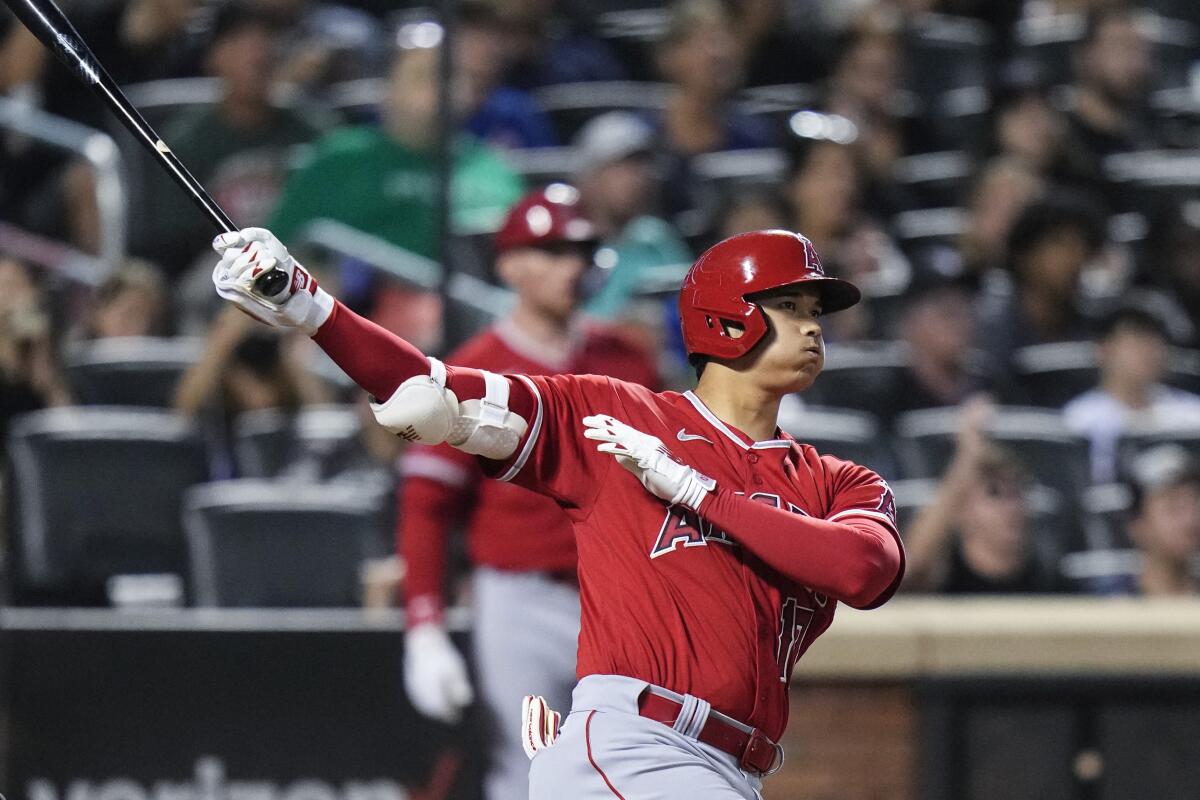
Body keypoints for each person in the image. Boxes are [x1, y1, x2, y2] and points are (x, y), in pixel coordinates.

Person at [211, 226, 903, 798]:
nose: (813, 329)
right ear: (730, 315)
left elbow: (864, 570)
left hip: (733, 767)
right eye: (791, 307)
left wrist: (696, 493)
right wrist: (309, 307)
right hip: (637, 747)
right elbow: (432, 388)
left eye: (816, 313)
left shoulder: (837, 481)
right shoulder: (620, 419)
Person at [398, 186, 658, 800]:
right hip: (521, 598)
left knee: (634, 777)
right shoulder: (474, 369)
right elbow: (426, 507)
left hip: (623, 599)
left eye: (580, 250)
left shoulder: (627, 361)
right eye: (552, 250)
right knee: (530, 773)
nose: (572, 265)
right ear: (510, 264)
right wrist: (424, 626)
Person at [902, 397, 1054, 594]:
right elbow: (913, 565)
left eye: (1018, 492)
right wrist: (968, 454)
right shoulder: (944, 580)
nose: (1012, 507)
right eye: (994, 493)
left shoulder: (1048, 581)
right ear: (961, 510)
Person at [572, 112, 691, 321]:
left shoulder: (657, 237)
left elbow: (692, 304)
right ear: (589, 177)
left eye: (641, 167)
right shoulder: (566, 245)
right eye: (621, 168)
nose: (637, 179)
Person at [1064, 304, 1200, 483]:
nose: (1148, 351)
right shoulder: (1080, 420)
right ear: (1103, 350)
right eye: (1136, 341)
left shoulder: (1192, 413)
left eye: (1155, 341)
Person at [1094, 445, 1200, 596]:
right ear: (1137, 524)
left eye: (1195, 503)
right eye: (1173, 506)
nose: (1190, 519)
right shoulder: (1109, 603)